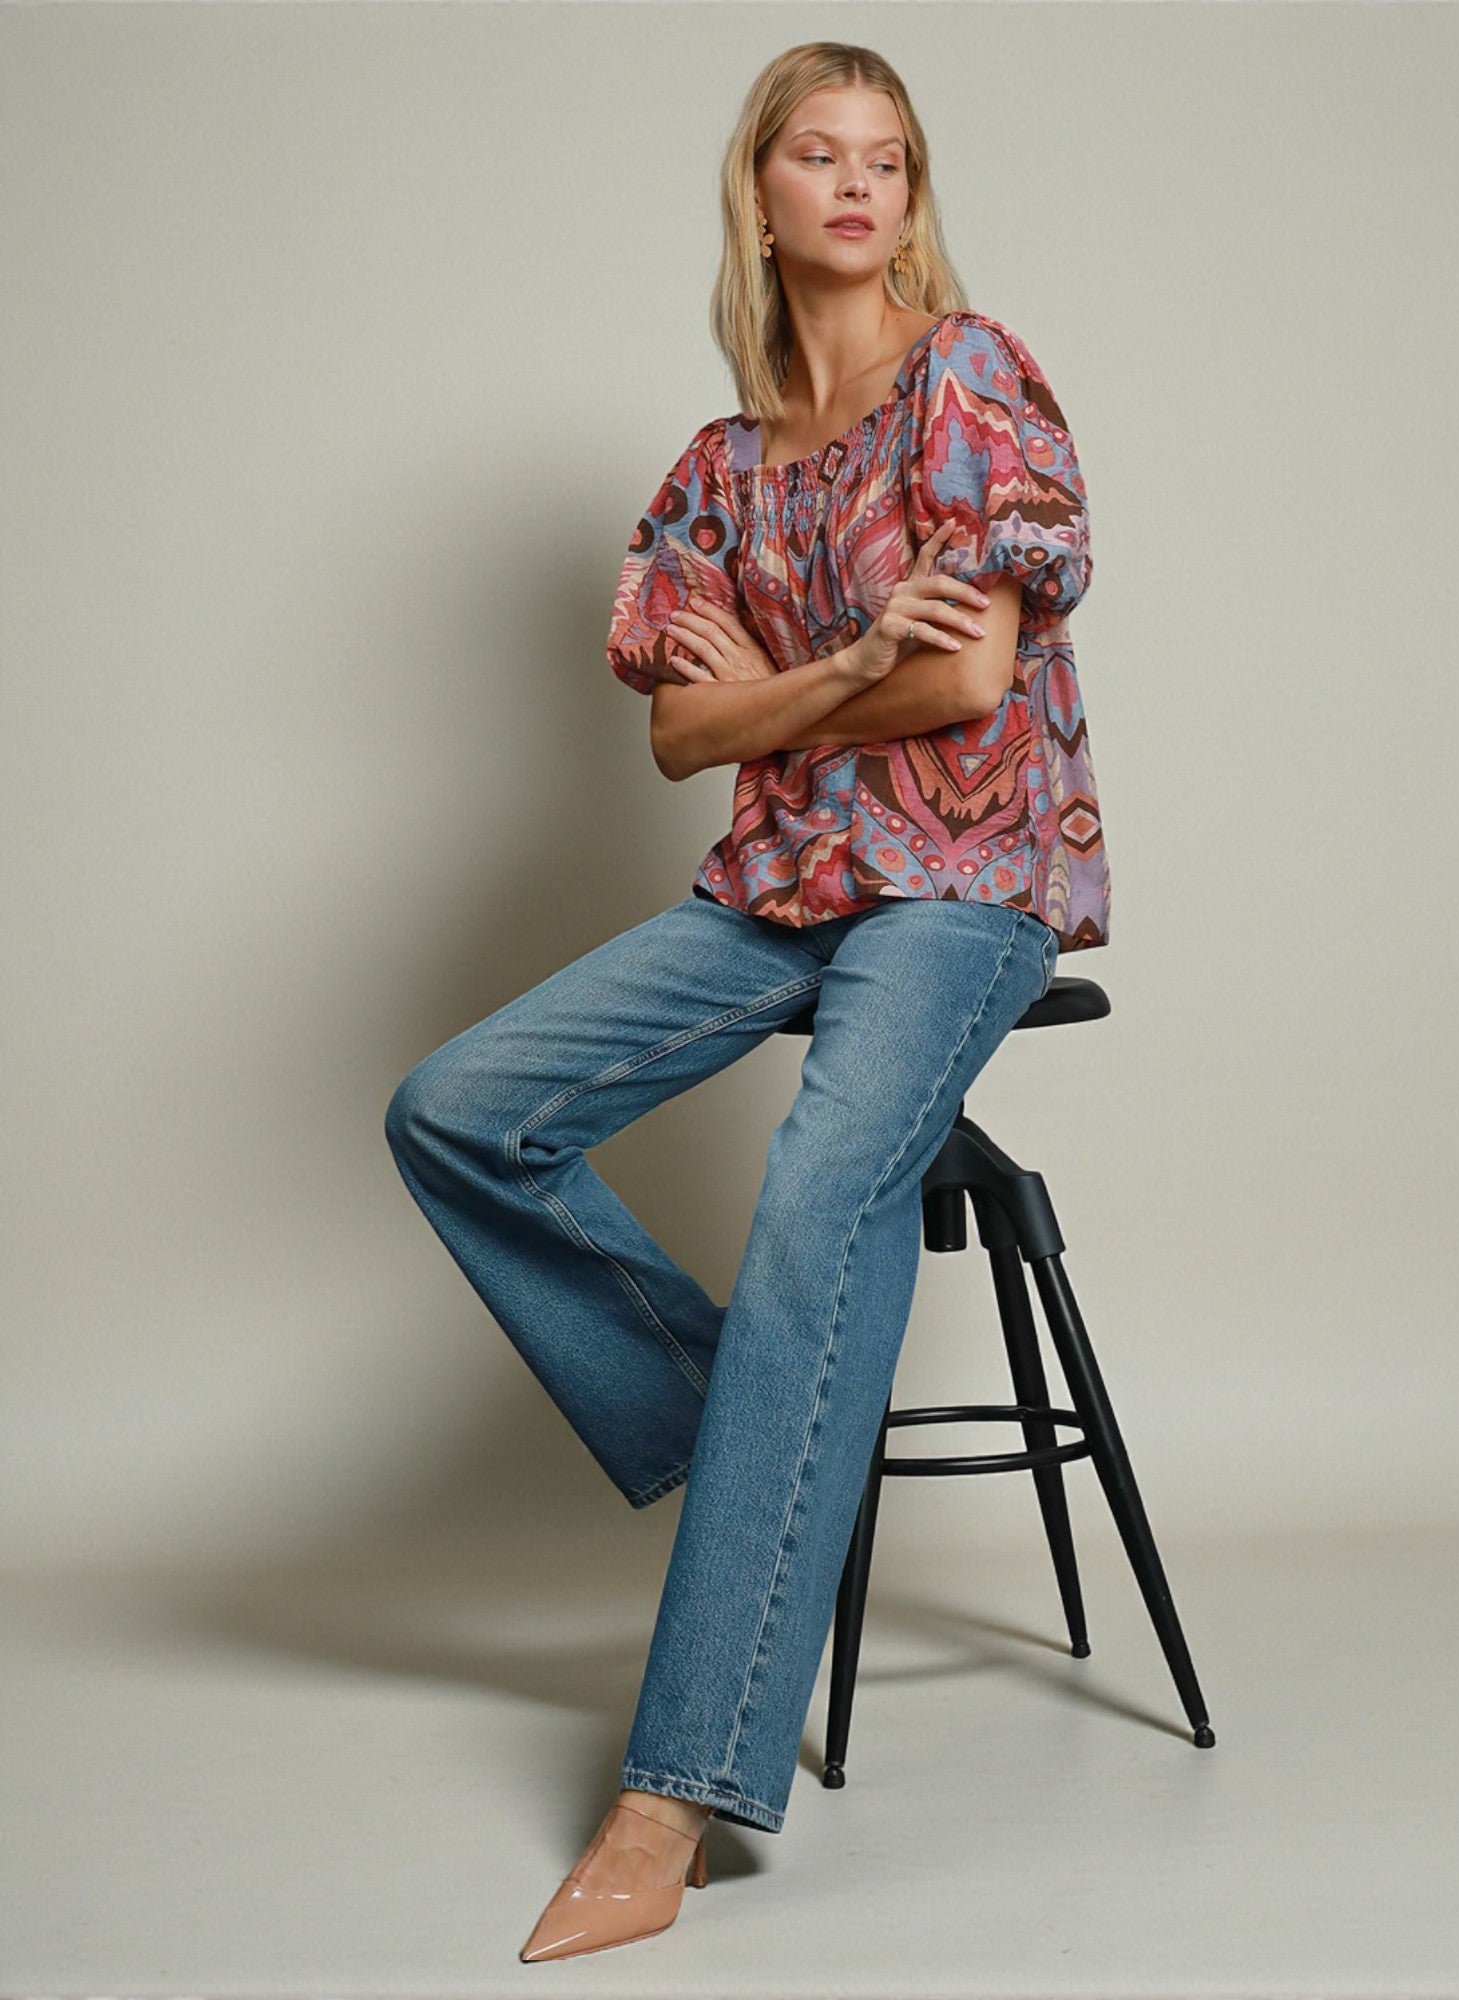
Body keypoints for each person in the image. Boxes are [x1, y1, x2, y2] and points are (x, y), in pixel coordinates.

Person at [383, 38, 1108, 1963]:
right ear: (762, 195)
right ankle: (753, 1417)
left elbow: (964, 697)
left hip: (963, 881)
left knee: (812, 1201)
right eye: (817, 153)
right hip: (782, 888)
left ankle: (675, 1790)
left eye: (887, 157)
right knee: (456, 1106)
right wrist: (843, 660)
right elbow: (677, 741)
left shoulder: (975, 380)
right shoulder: (720, 470)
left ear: (910, 194)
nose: (856, 185)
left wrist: (789, 692)